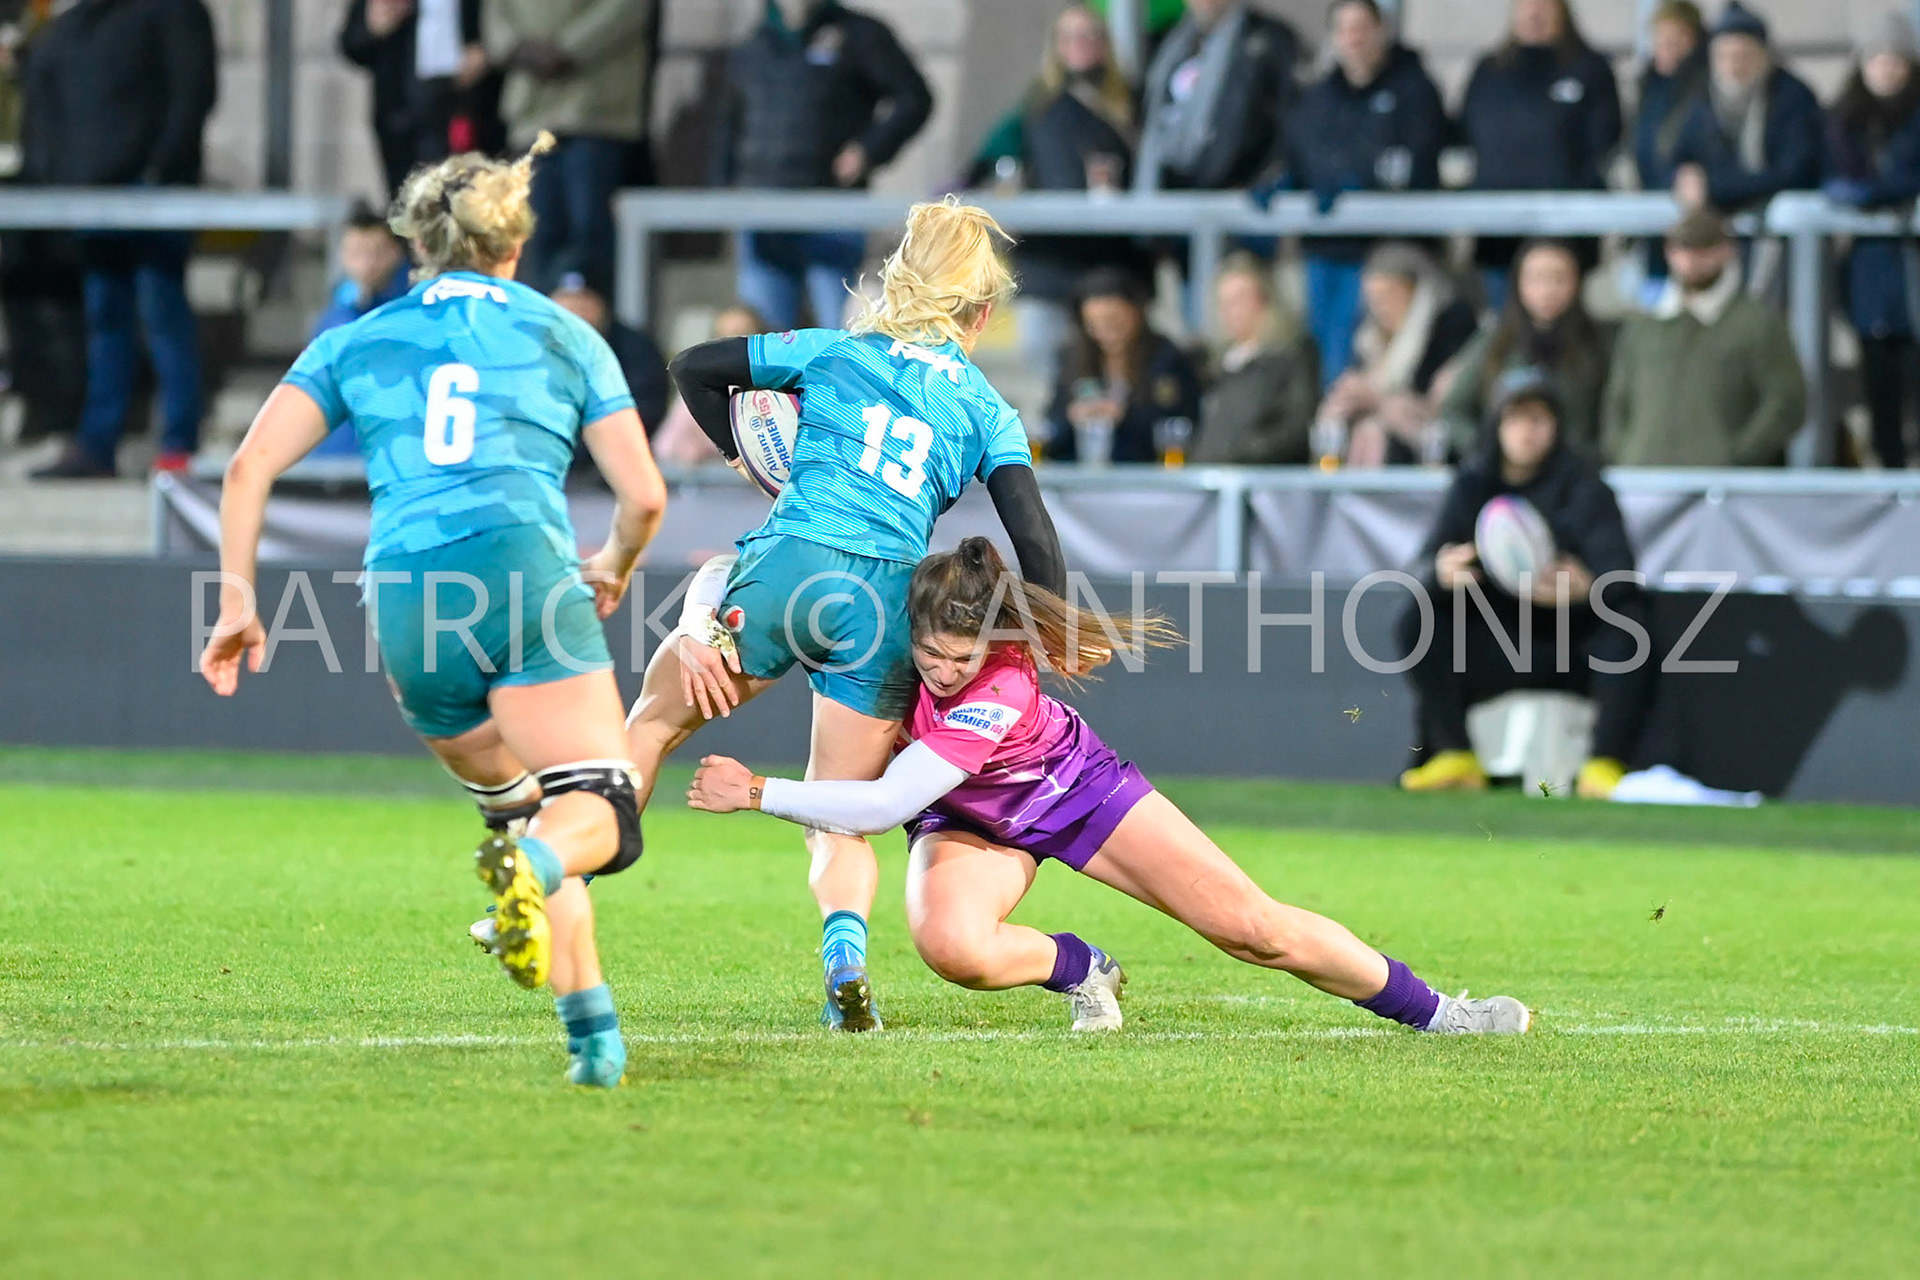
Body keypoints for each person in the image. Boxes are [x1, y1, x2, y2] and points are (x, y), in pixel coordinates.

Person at [197, 136, 669, 1089]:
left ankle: (595, 1045)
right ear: (516, 243)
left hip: (407, 597)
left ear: (418, 243)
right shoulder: (564, 334)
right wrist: (614, 565)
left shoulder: (358, 338)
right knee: (602, 810)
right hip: (522, 572)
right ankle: (525, 883)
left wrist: (239, 602)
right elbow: (646, 495)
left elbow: (248, 466)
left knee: (528, 812)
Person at [685, 536, 1530, 1036]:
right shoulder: (888, 621)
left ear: (994, 642)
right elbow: (728, 563)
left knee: (1253, 931)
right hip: (968, 815)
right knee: (954, 949)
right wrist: (702, 619)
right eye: (931, 655)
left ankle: (1441, 1012)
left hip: (1075, 793)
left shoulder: (1000, 688)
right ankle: (1083, 968)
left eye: (959, 658)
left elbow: (885, 805)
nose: (940, 674)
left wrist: (758, 791)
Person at [626, 198, 1067, 1033]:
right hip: (886, 609)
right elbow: (1036, 541)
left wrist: (747, 451)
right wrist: (1046, 635)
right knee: (834, 811)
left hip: (793, 561)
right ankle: (845, 962)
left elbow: (693, 366)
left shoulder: (834, 350)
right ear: (979, 310)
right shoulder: (984, 407)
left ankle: (556, 880)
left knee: (649, 725)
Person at [1397, 373, 1652, 800]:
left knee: (1630, 625)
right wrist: (1442, 573)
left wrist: (1588, 588)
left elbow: (1622, 574)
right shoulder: (1472, 485)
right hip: (1495, 642)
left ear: (1556, 427)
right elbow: (1425, 564)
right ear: (1496, 426)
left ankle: (1605, 763)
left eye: (1538, 420)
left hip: (1571, 644)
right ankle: (1454, 754)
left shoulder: (1585, 488)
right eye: (1515, 419)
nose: (1526, 432)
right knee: (1420, 618)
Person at [25, 0, 217, 480]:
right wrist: (57, 181)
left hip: (151, 196)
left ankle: (179, 445)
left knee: (162, 315)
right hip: (90, 198)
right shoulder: (74, 25)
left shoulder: (172, 12)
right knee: (105, 320)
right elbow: (46, 102)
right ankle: (97, 443)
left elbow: (191, 92)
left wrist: (159, 172)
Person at [967, 4, 1149, 407]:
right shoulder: (1037, 104)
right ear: (1056, 46)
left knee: (1113, 368)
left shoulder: (1130, 102)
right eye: (1069, 36)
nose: (1080, 45)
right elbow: (992, 154)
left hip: (1108, 261)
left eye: (1088, 35)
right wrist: (960, 186)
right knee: (1049, 364)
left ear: (1105, 43)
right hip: (1048, 259)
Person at [714, 0, 933, 331]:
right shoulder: (755, 45)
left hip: (831, 210)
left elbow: (914, 97)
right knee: (763, 344)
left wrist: (867, 150)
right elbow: (727, 127)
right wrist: (716, 196)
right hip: (762, 213)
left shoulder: (857, 35)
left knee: (839, 334)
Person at [1283, 0, 1447, 383]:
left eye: (1361, 27)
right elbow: (1298, 156)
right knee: (1324, 357)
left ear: (1382, 31)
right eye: (1344, 28)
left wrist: (1365, 182)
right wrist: (1287, 180)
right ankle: (1329, 439)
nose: (1353, 38)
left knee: (1366, 361)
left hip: (1387, 249)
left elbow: (1419, 163)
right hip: (1326, 246)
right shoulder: (1318, 97)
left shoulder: (1414, 90)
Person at [1601, 210, 1805, 465]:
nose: (1693, 259)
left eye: (1705, 248)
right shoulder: (1644, 324)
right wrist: (1625, 453)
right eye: (1684, 248)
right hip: (1644, 478)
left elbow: (1787, 401)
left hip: (1722, 487)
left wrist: (1735, 455)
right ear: (1669, 252)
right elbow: (1617, 402)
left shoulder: (1758, 324)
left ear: (1727, 250)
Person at [483, 0, 658, 296]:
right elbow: (496, 16)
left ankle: (595, 324)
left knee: (591, 234)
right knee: (533, 235)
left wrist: (565, 49)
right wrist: (516, 48)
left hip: (597, 110)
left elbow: (625, 10)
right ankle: (539, 327)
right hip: (530, 111)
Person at [1458, 0, 1621, 308]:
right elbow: (1467, 133)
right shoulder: (1490, 70)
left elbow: (1605, 140)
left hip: (1567, 233)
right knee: (1503, 330)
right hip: (1499, 235)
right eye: (1525, 5)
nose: (1534, 13)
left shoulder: (1589, 68)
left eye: (1543, 6)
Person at [1823, 15, 1920, 470]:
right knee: (1879, 383)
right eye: (1879, 59)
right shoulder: (1844, 121)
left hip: (1908, 268)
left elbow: (1900, 180)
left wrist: (1866, 196)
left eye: (1896, 60)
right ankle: (1890, 471)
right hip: (1869, 275)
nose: (1887, 69)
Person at [1437, 239, 1609, 461]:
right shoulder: (1495, 342)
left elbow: (1612, 417)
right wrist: (1492, 452)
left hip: (1574, 476)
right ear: (1519, 282)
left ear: (1576, 282)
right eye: (1537, 278)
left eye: (1558, 278)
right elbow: (1453, 409)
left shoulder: (1597, 345)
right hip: (1507, 479)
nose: (1548, 290)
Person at [1319, 242, 1478, 468]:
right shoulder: (1368, 339)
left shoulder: (1447, 328)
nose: (1380, 306)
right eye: (1373, 298)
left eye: (1388, 295)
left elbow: (1437, 401)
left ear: (1415, 292)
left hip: (1428, 444)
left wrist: (1377, 398)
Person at [340, 0, 504, 200]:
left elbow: (510, 30)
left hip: (471, 111)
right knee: (411, 211)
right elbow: (352, 44)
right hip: (404, 118)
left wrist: (489, 51)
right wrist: (373, 28)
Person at [1669, 1, 1822, 215]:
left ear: (1764, 56)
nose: (1733, 67)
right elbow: (1677, 157)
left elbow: (1795, 172)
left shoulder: (1792, 98)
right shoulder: (1700, 98)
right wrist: (1684, 178)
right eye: (1724, 57)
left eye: (1743, 56)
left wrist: (1714, 187)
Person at [1043, 267, 1203, 465]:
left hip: (1145, 472)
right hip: (1081, 471)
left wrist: (1125, 416)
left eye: (1114, 322)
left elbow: (1178, 424)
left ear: (1136, 313)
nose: (1106, 332)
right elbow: (1052, 425)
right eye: (1095, 324)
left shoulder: (1166, 359)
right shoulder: (1073, 359)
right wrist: (1072, 416)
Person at [1135, 0, 1299, 193]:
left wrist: (1260, 181)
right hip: (1169, 187)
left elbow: (1289, 116)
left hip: (1234, 193)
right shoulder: (1171, 41)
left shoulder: (1269, 39)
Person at [1191, 254, 1319, 465]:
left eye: (1239, 299)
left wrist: (1235, 454)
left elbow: (1295, 426)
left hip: (1265, 483)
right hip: (1214, 478)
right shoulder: (1216, 362)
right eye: (1224, 302)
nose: (1231, 311)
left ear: (1265, 299)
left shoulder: (1291, 355)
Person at [307, 204, 412, 456]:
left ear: (396, 253)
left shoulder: (412, 318)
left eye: (376, 253)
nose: (366, 264)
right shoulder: (332, 322)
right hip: (333, 458)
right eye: (355, 253)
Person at [1631, 2, 1709, 298]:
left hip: (1689, 216)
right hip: (1651, 218)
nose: (1666, 48)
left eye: (1675, 39)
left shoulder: (1704, 85)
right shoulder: (1648, 83)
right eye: (1660, 39)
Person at [550, 270, 669, 434]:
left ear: (601, 304)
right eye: (567, 304)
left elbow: (645, 409)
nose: (576, 313)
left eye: (584, 303)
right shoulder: (539, 345)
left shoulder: (634, 347)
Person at [651, 303, 766, 467]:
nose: (733, 343)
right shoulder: (698, 388)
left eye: (743, 333)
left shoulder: (782, 390)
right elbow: (665, 448)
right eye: (724, 335)